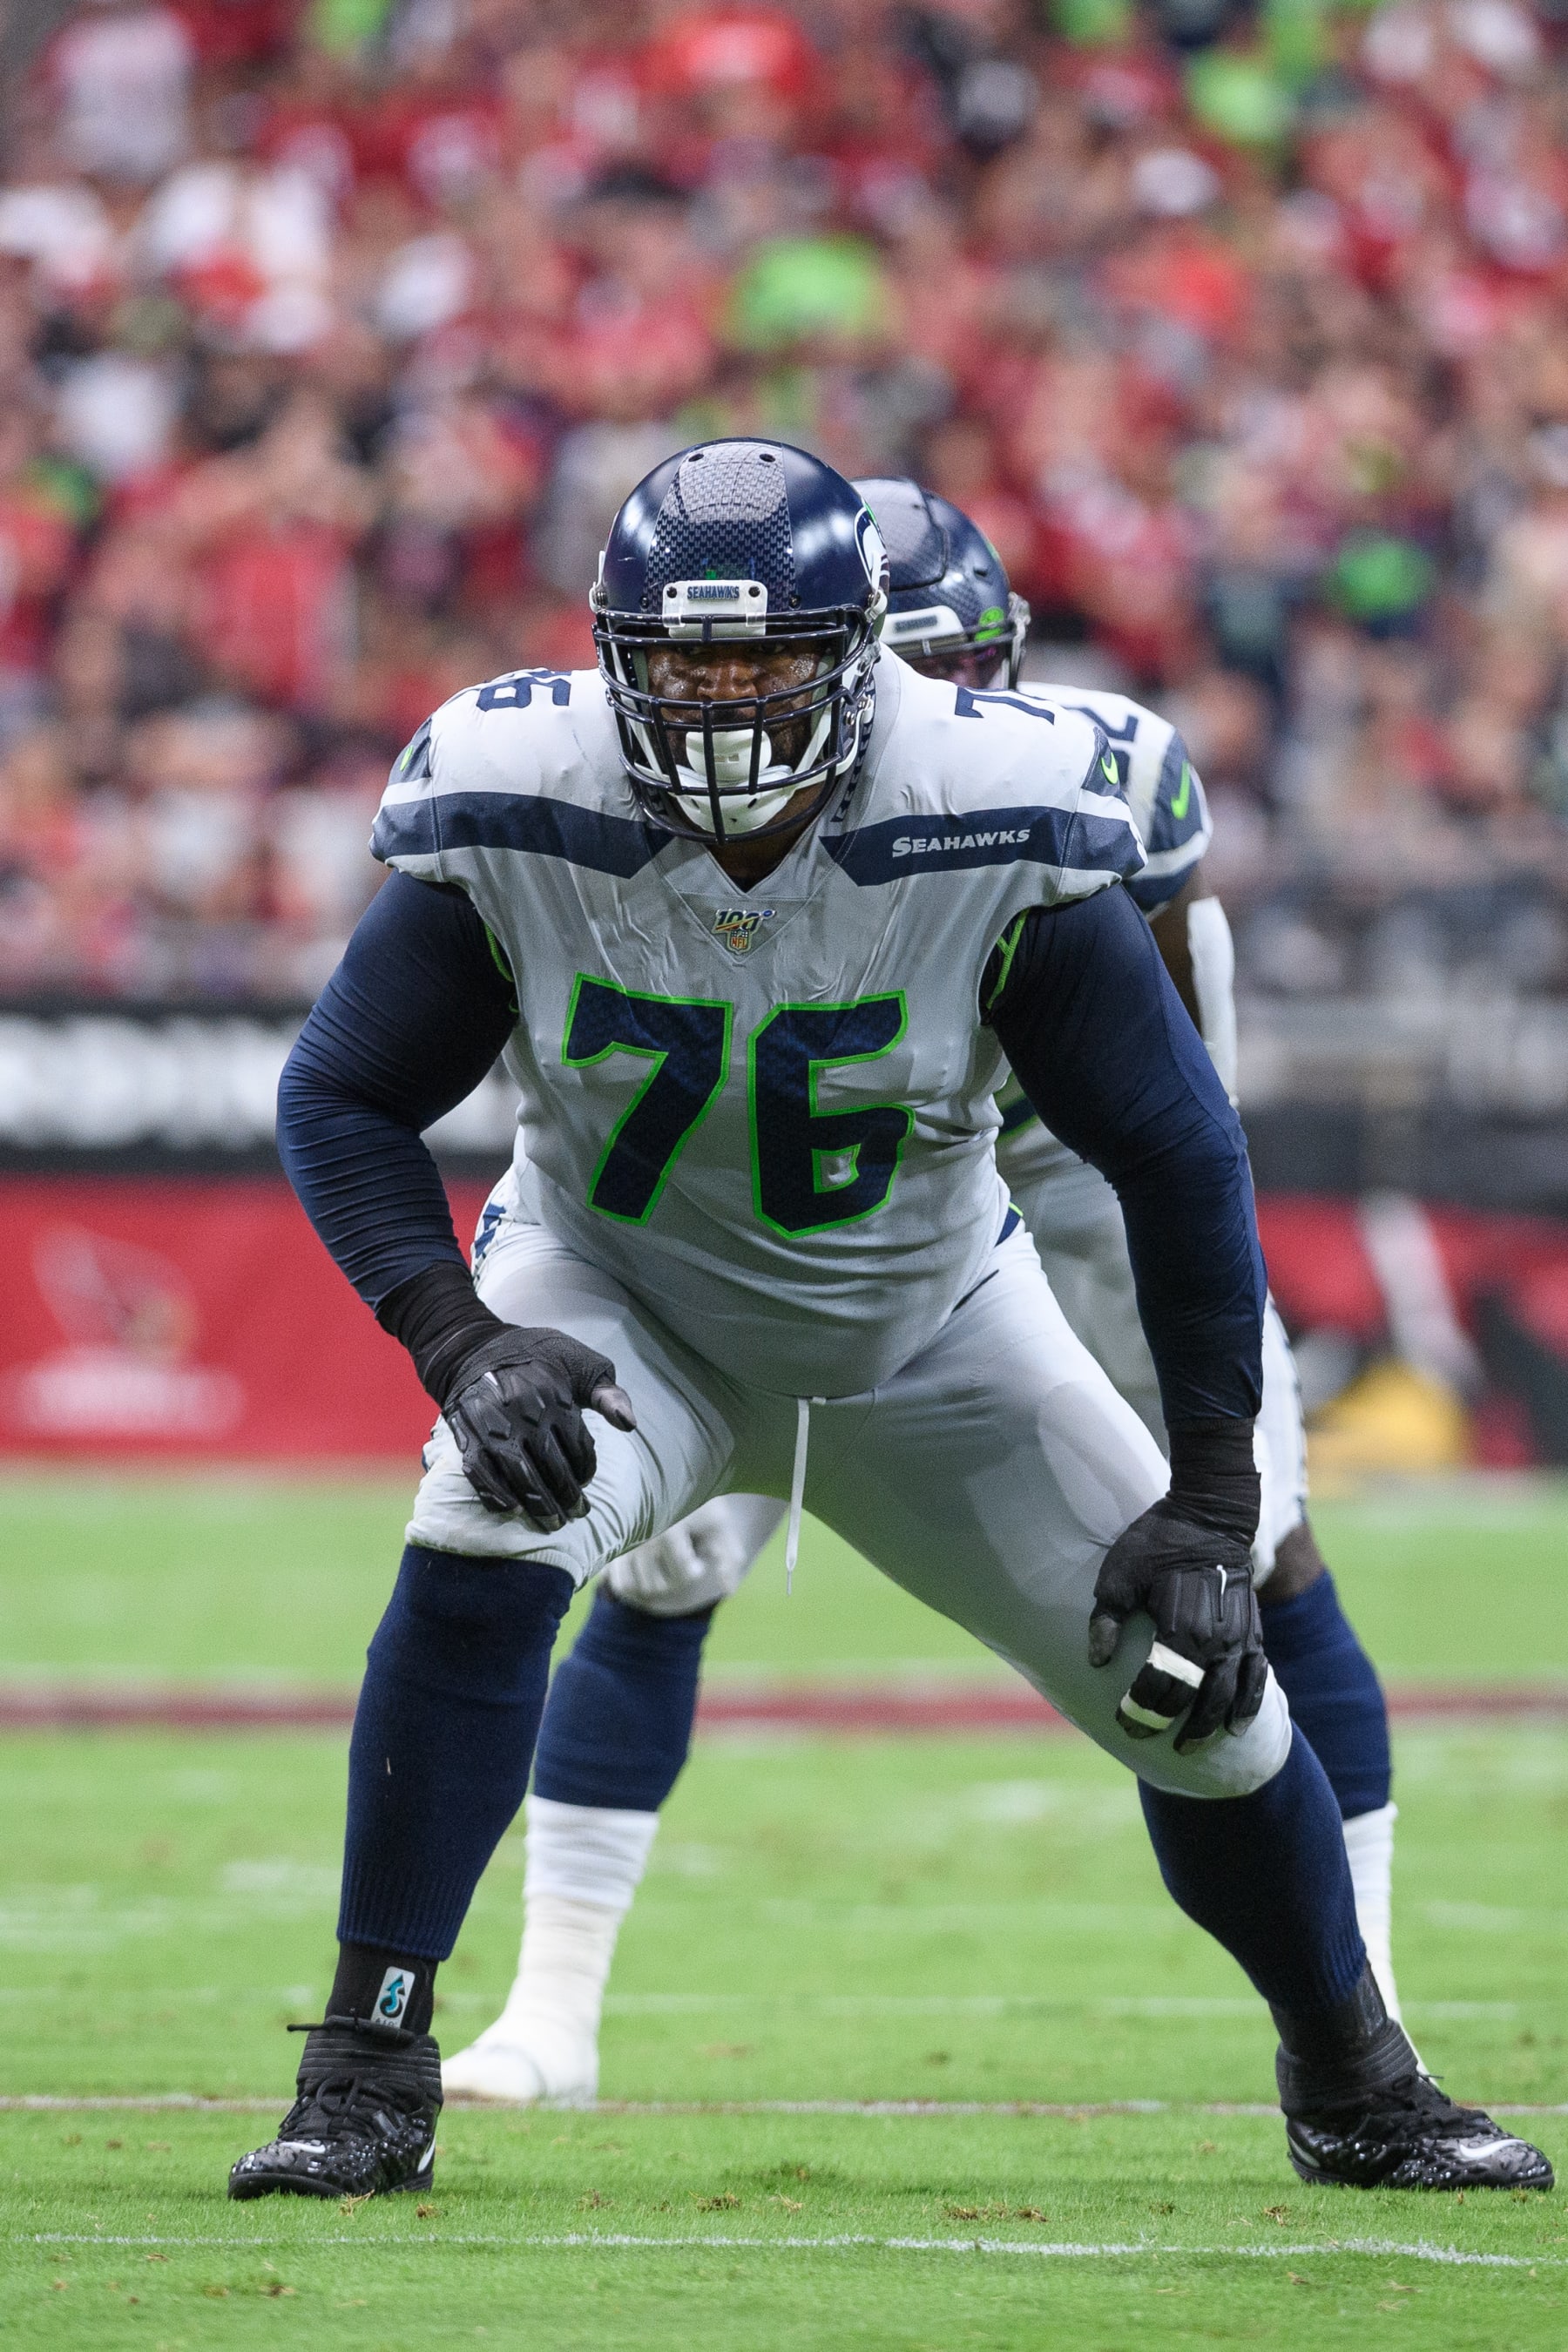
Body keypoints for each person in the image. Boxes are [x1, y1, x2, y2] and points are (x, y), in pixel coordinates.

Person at [235, 439, 1550, 2200]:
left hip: (932, 1314)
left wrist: (1218, 1499)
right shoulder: (514, 787)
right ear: (610, 652)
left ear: (863, 656)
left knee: (1206, 1699)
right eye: (679, 661)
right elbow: (338, 1095)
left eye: (761, 659)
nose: (716, 704)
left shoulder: (992, 803)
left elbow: (1173, 1150)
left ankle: (1355, 2080)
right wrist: (459, 1339)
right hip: (625, 1286)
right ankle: (366, 2064)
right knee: (478, 1520)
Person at [445, 480, 1409, 2117]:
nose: (934, 710)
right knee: (661, 1561)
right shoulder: (698, 782)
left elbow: (1182, 1080)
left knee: (1240, 1557)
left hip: (1058, 1178)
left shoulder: (1095, 780)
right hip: (821, 1195)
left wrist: (1198, 1325)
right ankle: (552, 2011)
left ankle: (1360, 1995)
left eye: (959, 668)